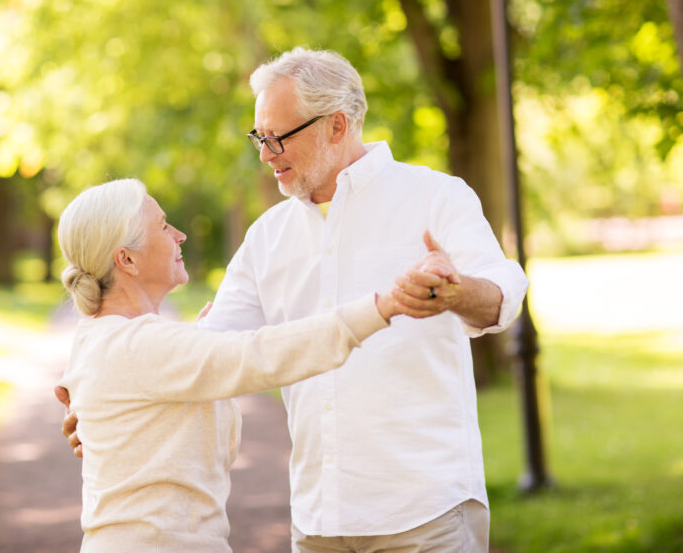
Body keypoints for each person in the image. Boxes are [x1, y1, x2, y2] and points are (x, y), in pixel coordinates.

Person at [59, 47, 529, 551]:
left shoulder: (435, 196)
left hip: (424, 511)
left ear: (337, 125)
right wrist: (108, 406)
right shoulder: (268, 236)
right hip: (318, 521)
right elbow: (218, 356)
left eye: (278, 137)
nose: (265, 153)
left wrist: (456, 291)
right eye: (259, 137)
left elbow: (501, 295)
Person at [54, 177, 444, 553]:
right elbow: (265, 354)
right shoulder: (142, 346)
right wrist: (385, 304)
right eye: (163, 225)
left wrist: (199, 339)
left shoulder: (103, 338)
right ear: (126, 259)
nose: (179, 235)